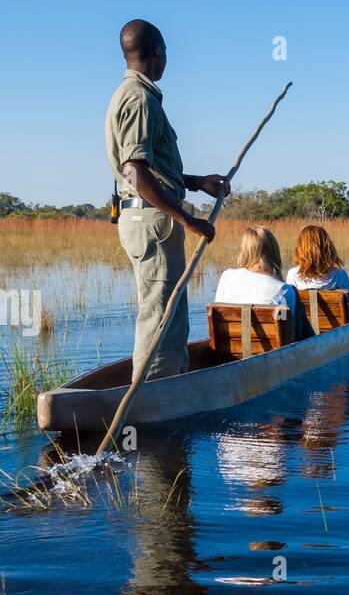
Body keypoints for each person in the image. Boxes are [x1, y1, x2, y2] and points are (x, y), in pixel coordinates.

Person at [105, 19, 230, 380]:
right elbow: (134, 171)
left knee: (166, 311)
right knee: (162, 315)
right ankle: (154, 397)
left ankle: (165, 383)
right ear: (157, 52)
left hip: (147, 218)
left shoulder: (130, 95)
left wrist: (196, 182)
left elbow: (151, 168)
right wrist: (189, 220)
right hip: (152, 222)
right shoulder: (140, 99)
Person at [214, 226, 299, 316]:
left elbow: (218, 314)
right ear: (274, 251)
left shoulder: (227, 276)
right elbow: (287, 327)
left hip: (230, 330)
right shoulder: (283, 290)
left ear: (245, 251)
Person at [284, 225, 349, 319]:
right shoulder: (340, 275)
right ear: (328, 247)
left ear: (300, 249)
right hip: (337, 331)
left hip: (304, 332)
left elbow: (289, 311)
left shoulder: (292, 275)